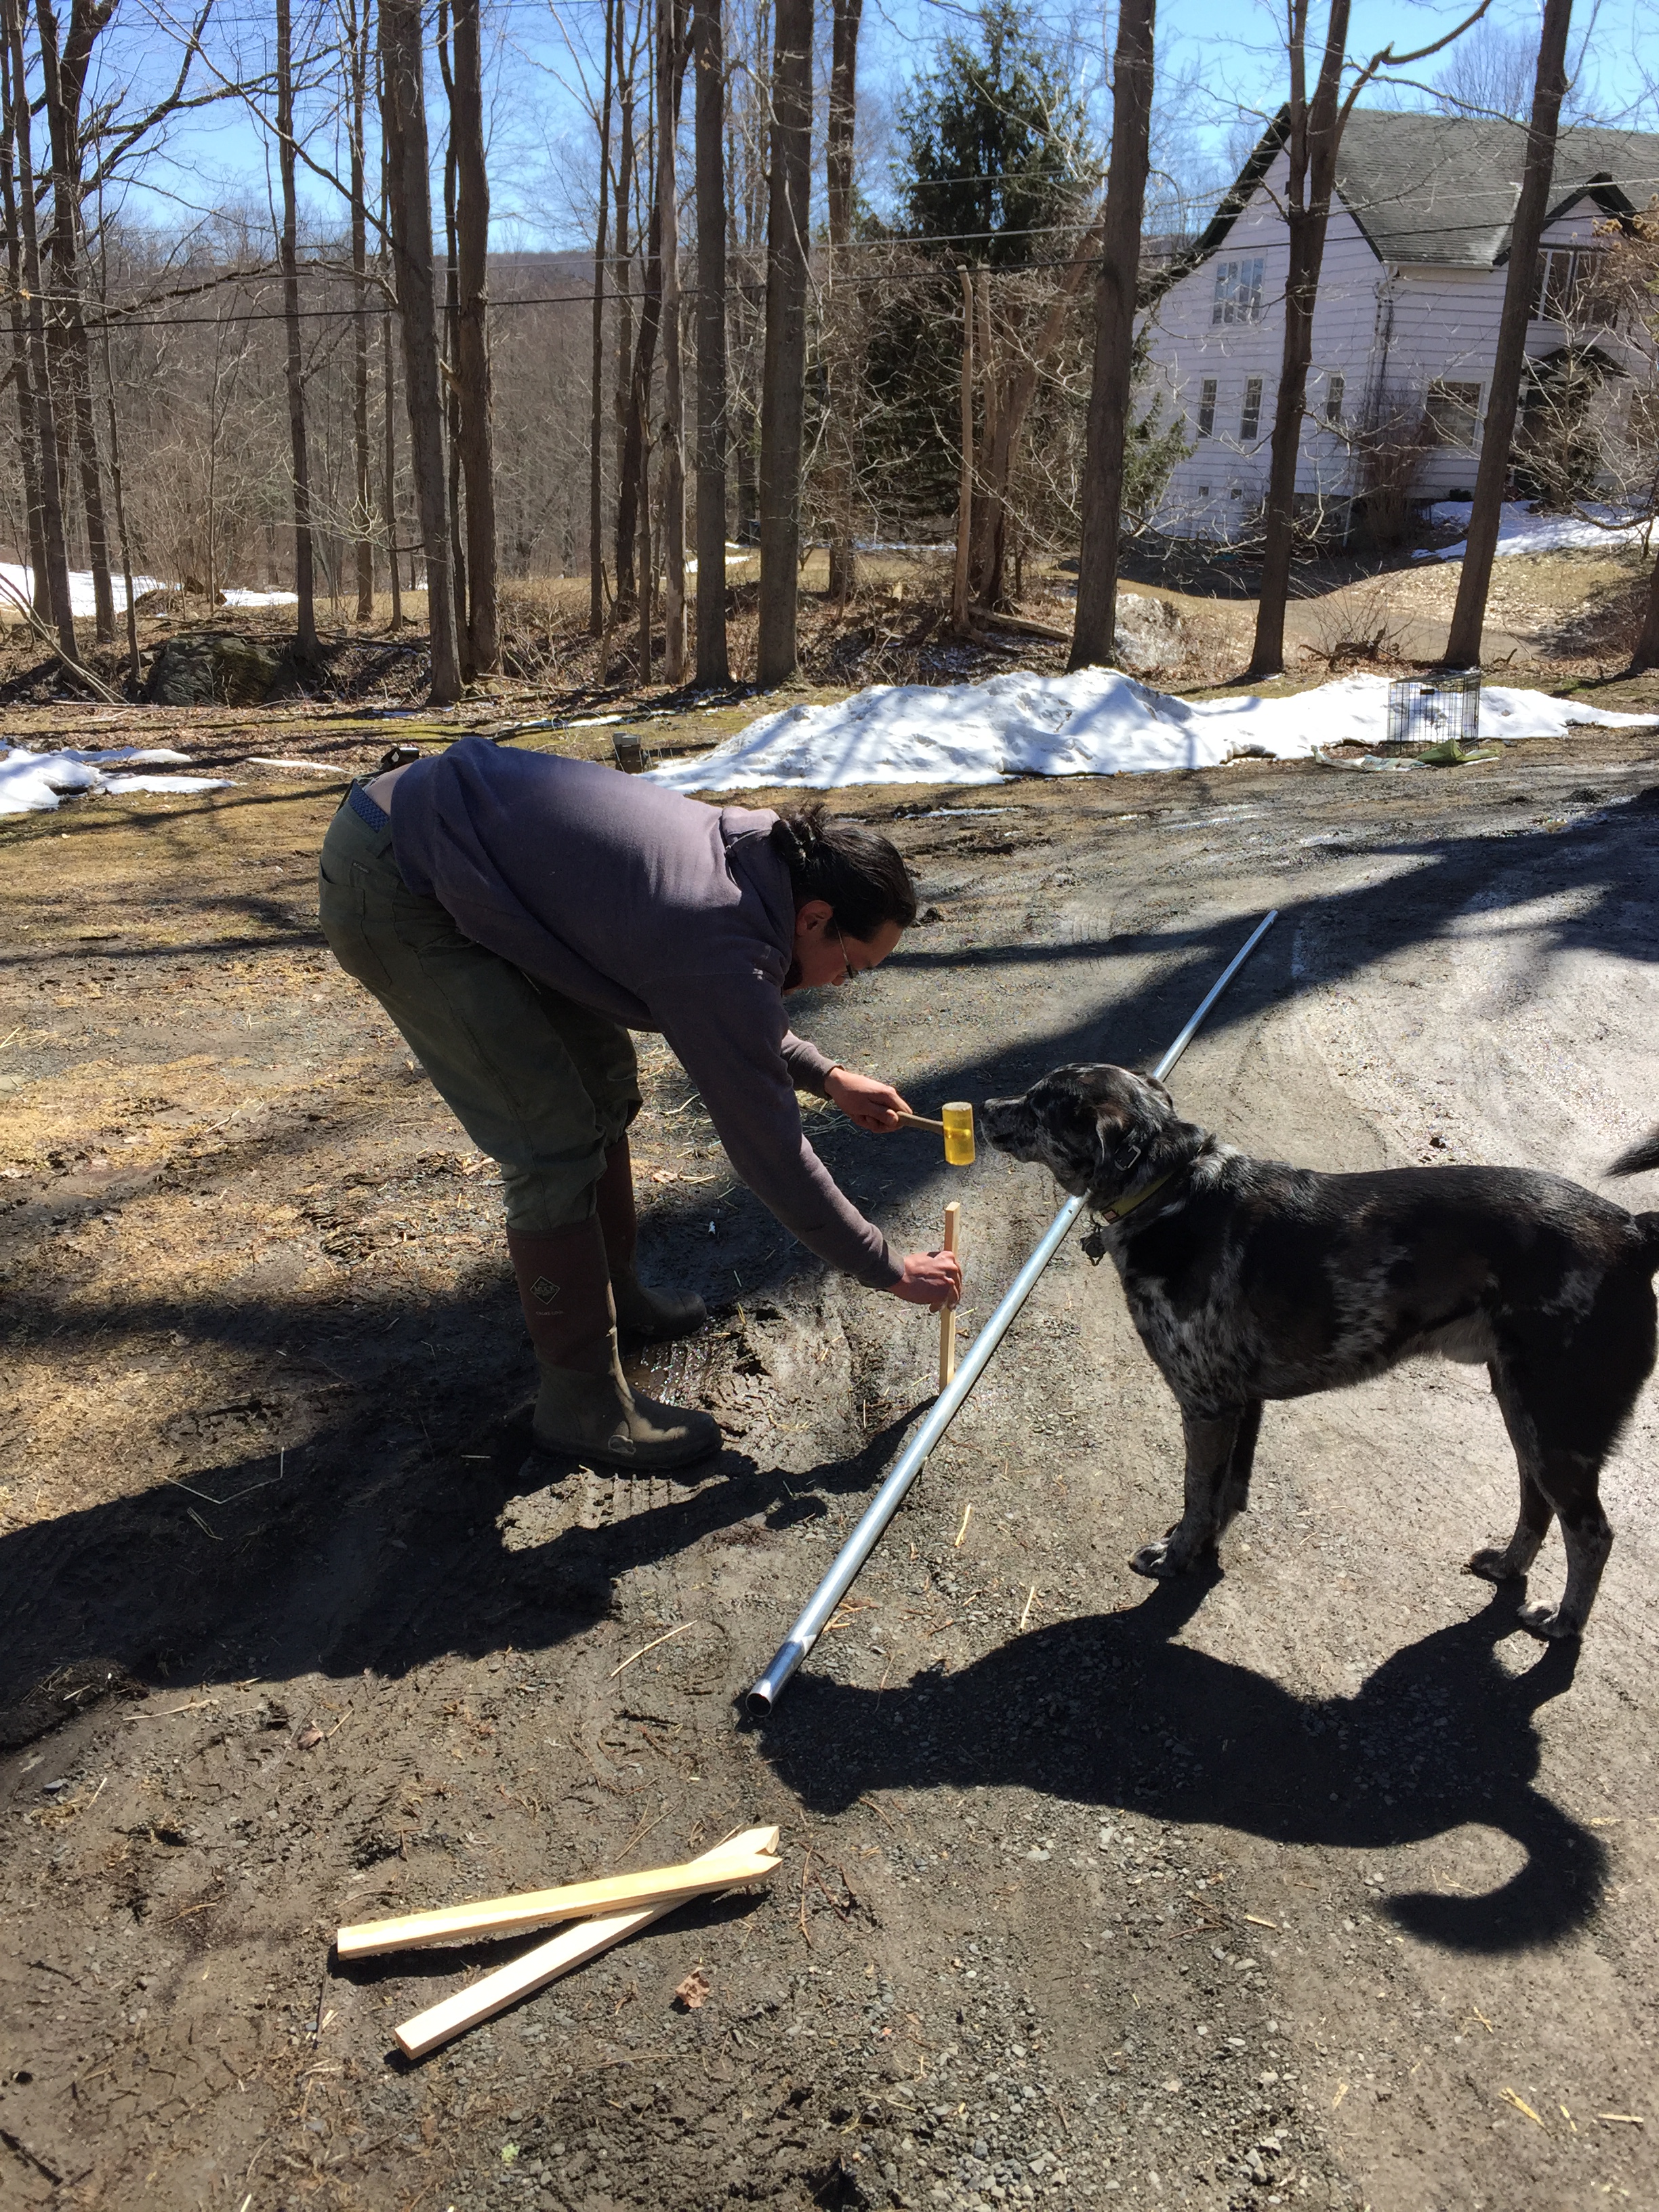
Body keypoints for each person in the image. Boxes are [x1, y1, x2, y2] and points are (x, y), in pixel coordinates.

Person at [318, 737, 962, 1473]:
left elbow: (724, 1011)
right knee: (550, 1136)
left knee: (603, 1081)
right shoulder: (718, 926)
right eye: (850, 967)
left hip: (461, 841)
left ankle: (613, 1297)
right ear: (816, 918)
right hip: (396, 875)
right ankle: (583, 1401)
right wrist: (888, 1267)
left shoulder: (764, 860)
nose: (840, 985)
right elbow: (769, 1151)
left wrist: (827, 1074)